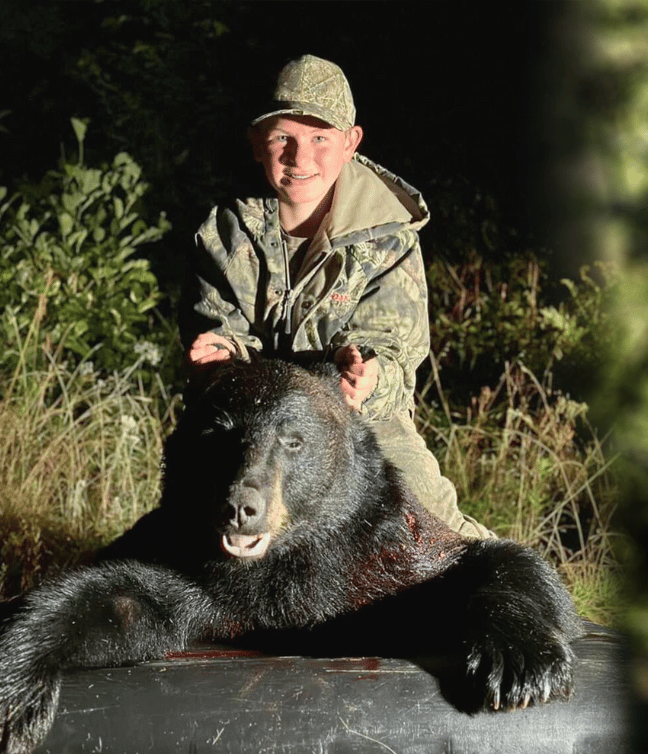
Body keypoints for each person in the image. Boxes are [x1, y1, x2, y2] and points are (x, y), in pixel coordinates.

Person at [182, 55, 492, 539]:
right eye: (282, 138)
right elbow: (219, 331)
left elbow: (393, 351)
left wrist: (368, 377)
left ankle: (512, 582)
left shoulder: (387, 236)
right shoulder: (226, 231)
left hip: (358, 420)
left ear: (351, 143)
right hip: (254, 418)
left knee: (434, 528)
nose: (299, 158)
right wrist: (220, 356)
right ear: (257, 143)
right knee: (181, 514)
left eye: (320, 139)